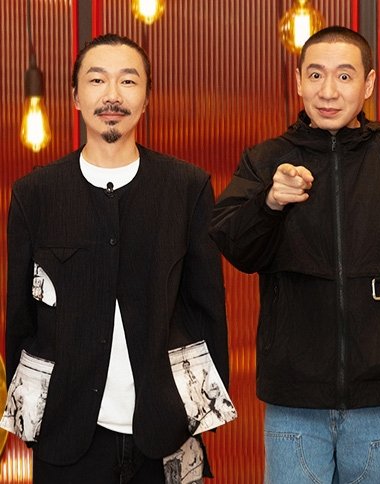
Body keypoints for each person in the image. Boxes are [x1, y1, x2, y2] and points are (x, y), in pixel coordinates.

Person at [209, 26, 380, 483]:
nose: (328, 92)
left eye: (344, 76)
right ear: (298, 81)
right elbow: (234, 246)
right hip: (294, 405)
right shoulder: (266, 162)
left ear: (368, 84)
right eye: (316, 75)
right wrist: (269, 203)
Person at [3, 34, 230, 482]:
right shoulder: (36, 194)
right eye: (97, 80)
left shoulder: (186, 188)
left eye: (128, 81)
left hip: (167, 434)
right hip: (66, 437)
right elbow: (21, 320)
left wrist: (191, 417)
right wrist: (36, 423)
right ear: (75, 97)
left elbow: (207, 312)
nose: (112, 95)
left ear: (146, 98)